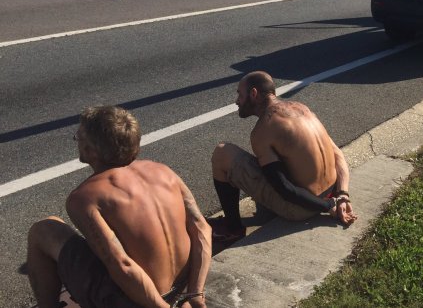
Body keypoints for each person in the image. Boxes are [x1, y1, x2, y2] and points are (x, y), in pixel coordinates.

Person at [27, 106, 211, 308]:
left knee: (44, 230)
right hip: (182, 288)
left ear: (90, 150)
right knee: (62, 227)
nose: (76, 141)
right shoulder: (165, 173)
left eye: (78, 138)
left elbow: (121, 265)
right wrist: (195, 293)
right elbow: (201, 228)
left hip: (137, 301)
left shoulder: (84, 198)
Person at [209, 71, 357, 242]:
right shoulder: (302, 109)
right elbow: (337, 155)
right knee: (271, 161)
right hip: (331, 191)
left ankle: (232, 229)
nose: (237, 101)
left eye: (239, 95)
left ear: (254, 94)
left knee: (222, 153)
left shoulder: (264, 129)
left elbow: (284, 188)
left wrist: (328, 206)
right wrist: (342, 195)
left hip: (300, 208)